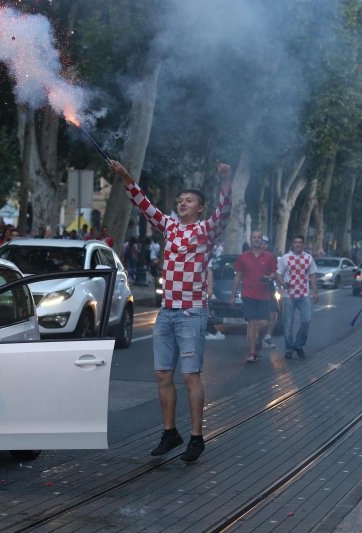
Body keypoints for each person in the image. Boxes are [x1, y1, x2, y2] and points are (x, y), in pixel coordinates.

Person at [108, 158, 232, 463]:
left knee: (190, 376)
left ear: (200, 208)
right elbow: (144, 205)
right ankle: (170, 432)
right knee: (162, 374)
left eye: (188, 200)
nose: (182, 203)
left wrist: (225, 181)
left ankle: (196, 437)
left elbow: (225, 210)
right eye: (179, 200)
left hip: (192, 312)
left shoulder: (206, 230)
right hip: (167, 312)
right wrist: (125, 175)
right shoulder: (170, 226)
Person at [232, 230, 278, 362]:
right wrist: (233, 294)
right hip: (248, 294)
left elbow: (274, 273)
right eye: (254, 237)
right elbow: (238, 276)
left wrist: (268, 277)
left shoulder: (269, 257)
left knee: (263, 323)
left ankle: (258, 339)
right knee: (251, 323)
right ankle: (252, 352)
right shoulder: (243, 256)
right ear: (251, 239)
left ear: (261, 240)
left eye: (259, 237)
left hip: (263, 295)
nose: (256, 239)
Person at [275, 235, 319, 359]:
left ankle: (299, 345)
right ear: (292, 244)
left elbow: (313, 275)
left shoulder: (308, 258)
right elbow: (278, 273)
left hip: (304, 295)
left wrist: (315, 292)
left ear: (303, 245)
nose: (297, 244)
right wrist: (283, 284)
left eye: (300, 242)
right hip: (289, 295)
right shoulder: (285, 258)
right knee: (288, 324)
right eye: (295, 242)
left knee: (306, 320)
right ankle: (289, 348)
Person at [261, 236, 278, 347]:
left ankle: (267, 337)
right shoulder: (250, 256)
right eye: (261, 243)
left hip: (269, 288)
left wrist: (268, 277)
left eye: (265, 243)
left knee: (273, 313)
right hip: (254, 289)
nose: (263, 245)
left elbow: (275, 273)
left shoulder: (272, 257)